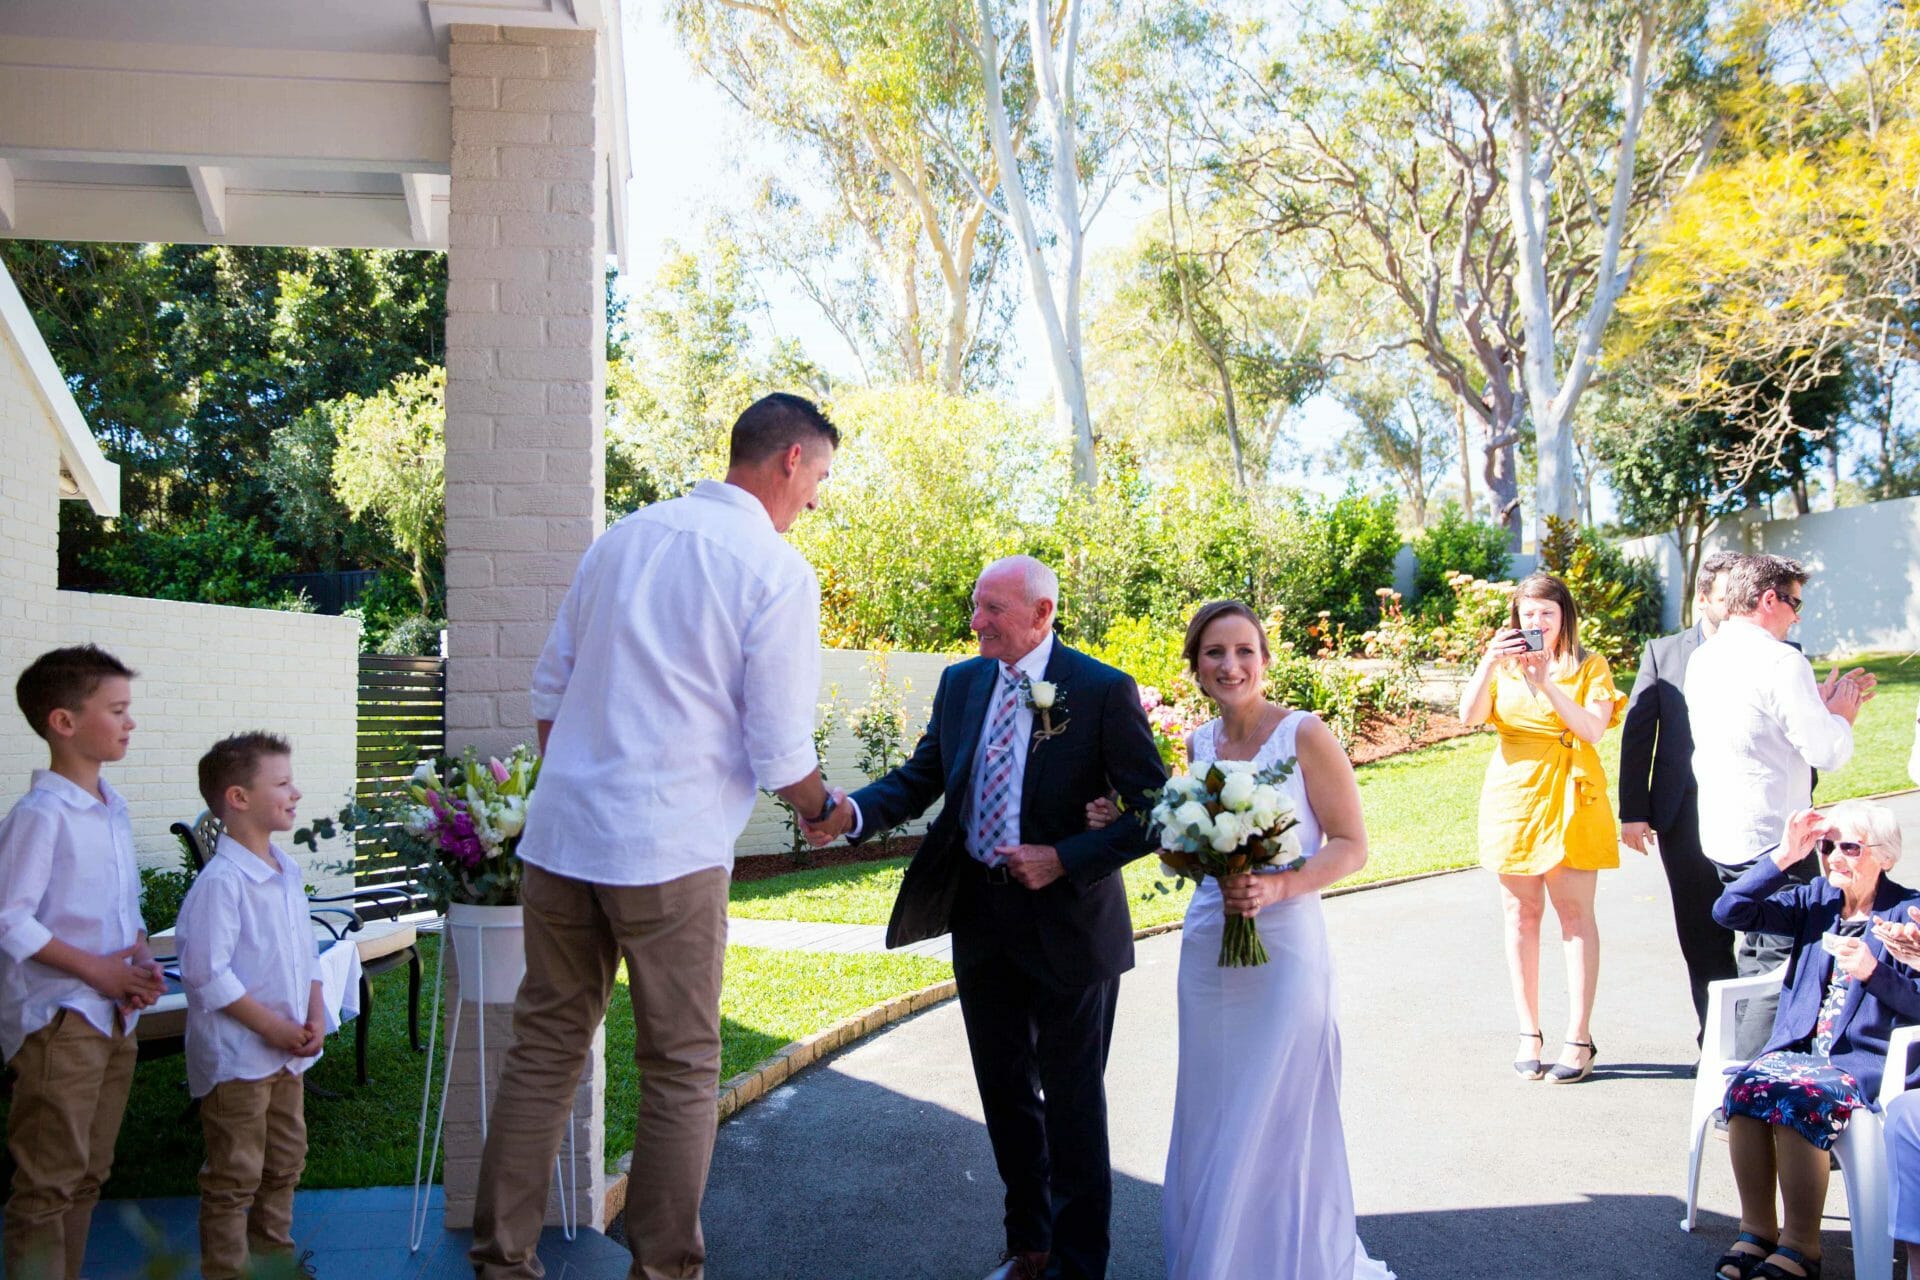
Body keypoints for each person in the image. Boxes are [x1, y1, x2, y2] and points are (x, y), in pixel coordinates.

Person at [469, 393, 843, 1280]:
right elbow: (780, 744)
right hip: (667, 852)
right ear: (789, 459)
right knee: (680, 1064)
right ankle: (665, 1270)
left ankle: (499, 1260)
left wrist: (580, 787)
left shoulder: (623, 539)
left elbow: (550, 689)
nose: (819, 499)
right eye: (821, 476)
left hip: (561, 842)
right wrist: (820, 806)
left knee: (545, 1045)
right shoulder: (774, 569)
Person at [803, 556, 1166, 1280]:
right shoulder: (961, 683)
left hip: (1067, 923)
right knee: (1003, 1095)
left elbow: (1157, 811)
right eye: (976, 606)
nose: (976, 622)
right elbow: (923, 775)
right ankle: (1027, 1246)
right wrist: (852, 814)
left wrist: (1065, 856)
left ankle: (1077, 1263)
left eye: (993, 610)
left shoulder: (1099, 689)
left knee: (1070, 1105)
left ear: (1042, 614)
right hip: (981, 915)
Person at [1087, 601, 1392, 1279]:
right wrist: (1139, 824)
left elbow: (1352, 846)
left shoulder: (1305, 734)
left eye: (1244, 651)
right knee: (1215, 1101)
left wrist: (1279, 888)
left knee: (1275, 1101)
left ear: (1265, 658)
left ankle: (1284, 1260)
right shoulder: (1197, 747)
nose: (1231, 665)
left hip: (1285, 946)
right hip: (1208, 945)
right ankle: (1215, 1260)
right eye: (1215, 653)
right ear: (1195, 668)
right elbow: (1180, 857)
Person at [0, 645, 164, 1280]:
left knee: (90, 1175)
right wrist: (97, 971)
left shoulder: (111, 807)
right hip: (61, 1022)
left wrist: (139, 957)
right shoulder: (40, 815)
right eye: (117, 710)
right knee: (47, 1185)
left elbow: (116, 912)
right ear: (63, 722)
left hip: (111, 1018)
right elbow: (10, 918)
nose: (130, 722)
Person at [1709, 801, 1920, 1280]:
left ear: (1885, 856)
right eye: (1828, 846)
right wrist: (1784, 855)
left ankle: (1803, 1246)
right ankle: (1756, 1231)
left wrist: (1874, 973)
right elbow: (1729, 910)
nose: (1834, 857)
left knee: (1795, 1096)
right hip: (1798, 1052)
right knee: (1747, 1088)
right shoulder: (1816, 899)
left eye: (1850, 847)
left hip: (1863, 1061)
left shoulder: (1910, 913)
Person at [1687, 553, 1874, 1059]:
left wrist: (1817, 705)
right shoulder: (1780, 659)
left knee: (1756, 952)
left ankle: (1749, 1076)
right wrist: (1839, 714)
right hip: (1775, 838)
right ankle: (1746, 1091)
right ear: (1769, 599)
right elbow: (1826, 751)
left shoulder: (1704, 655)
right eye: (1794, 603)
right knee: (1776, 965)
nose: (1797, 616)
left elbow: (1760, 728)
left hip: (1723, 834)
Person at [1459, 572, 1623, 1084]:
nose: (1537, 623)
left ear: (1564, 617)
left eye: (1547, 614)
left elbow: (1592, 729)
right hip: (1515, 797)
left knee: (1574, 917)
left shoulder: (1590, 666)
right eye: (1528, 615)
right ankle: (1528, 1031)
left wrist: (1546, 682)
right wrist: (1490, 660)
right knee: (1520, 915)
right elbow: (1468, 716)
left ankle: (1579, 1036)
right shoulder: (1501, 668)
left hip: (1573, 794)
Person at [176, 733, 328, 1280]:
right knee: (234, 1175)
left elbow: (306, 954)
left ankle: (273, 1262)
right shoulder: (223, 883)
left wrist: (312, 1017)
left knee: (285, 1161)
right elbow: (205, 975)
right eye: (282, 783)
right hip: (241, 1058)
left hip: (286, 1056)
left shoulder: (284, 871)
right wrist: (272, 1028)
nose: (296, 792)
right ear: (238, 798)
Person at [1618, 549, 1744, 1042]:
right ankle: (1714, 1042)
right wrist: (1634, 812)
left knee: (1762, 934)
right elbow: (1637, 734)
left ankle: (1766, 1047)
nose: (1735, 607)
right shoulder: (1663, 652)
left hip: (1752, 814)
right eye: (1725, 597)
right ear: (1704, 598)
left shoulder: (1780, 653)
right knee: (1701, 932)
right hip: (1682, 815)